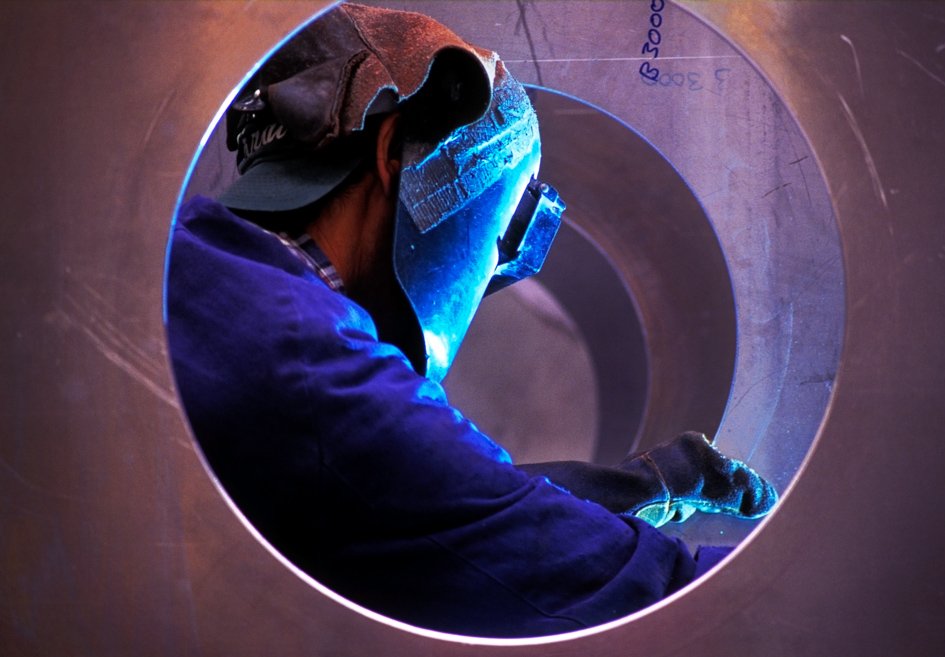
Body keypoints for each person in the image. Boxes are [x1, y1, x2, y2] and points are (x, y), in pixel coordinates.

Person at [166, 3, 777, 638]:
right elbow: (679, 604)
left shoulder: (191, 264)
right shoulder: (311, 365)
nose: (487, 277)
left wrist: (617, 490)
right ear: (391, 152)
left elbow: (382, 502)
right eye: (496, 236)